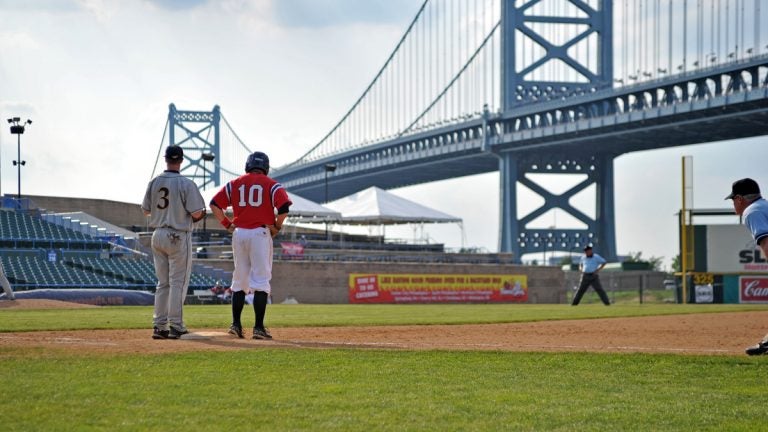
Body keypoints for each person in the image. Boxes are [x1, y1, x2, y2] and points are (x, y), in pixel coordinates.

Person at [210, 151, 292, 340]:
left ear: (247, 165)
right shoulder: (271, 184)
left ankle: (236, 325)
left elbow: (215, 204)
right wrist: (277, 226)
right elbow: (284, 208)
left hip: (239, 233)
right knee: (261, 281)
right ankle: (258, 328)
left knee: (239, 280)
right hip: (260, 233)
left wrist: (227, 224)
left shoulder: (235, 183)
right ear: (266, 167)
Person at [142, 145, 206, 340]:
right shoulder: (186, 183)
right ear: (182, 160)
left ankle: (159, 326)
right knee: (178, 282)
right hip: (178, 235)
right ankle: (176, 326)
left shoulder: (154, 182)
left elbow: (146, 210)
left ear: (166, 159)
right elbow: (196, 213)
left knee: (163, 284)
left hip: (158, 233)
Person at [725, 178, 768, 355]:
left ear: (740, 199)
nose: (733, 204)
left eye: (733, 199)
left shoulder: (752, 211)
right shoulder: (764, 206)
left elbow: (767, 243)